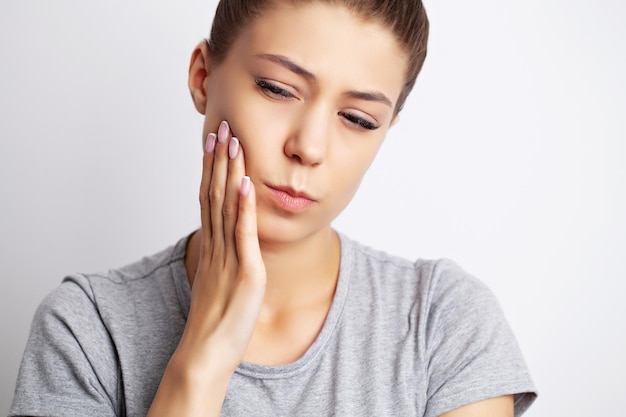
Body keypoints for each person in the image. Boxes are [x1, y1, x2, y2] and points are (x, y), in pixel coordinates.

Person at [10, 0, 537, 416]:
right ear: (202, 76)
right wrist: (203, 358)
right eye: (276, 88)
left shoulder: (443, 322)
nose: (308, 147)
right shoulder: (86, 330)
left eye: (357, 118)